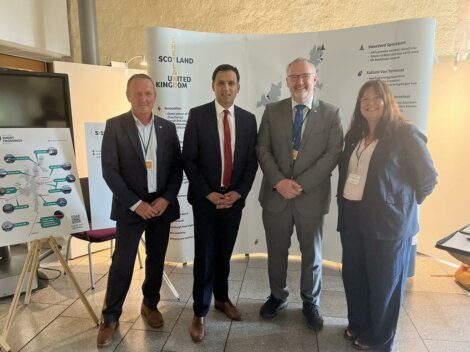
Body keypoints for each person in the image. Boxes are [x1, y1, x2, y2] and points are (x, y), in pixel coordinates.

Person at [337, 80, 438, 351]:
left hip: (388, 225)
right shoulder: (355, 135)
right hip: (353, 218)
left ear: (387, 101)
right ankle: (359, 324)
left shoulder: (404, 133)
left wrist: (400, 206)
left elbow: (428, 179)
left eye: (376, 98)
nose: (370, 103)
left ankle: (380, 338)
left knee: (384, 284)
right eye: (364, 99)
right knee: (355, 276)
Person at [257, 57, 343, 330]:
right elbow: (262, 149)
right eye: (294, 77)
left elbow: (332, 154)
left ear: (315, 79)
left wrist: (301, 184)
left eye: (305, 76)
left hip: (311, 197)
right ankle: (277, 296)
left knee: (312, 255)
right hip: (275, 196)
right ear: (286, 81)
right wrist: (279, 181)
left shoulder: (331, 113)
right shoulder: (272, 111)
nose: (300, 82)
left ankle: (310, 302)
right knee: (276, 252)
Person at [97, 73, 182, 348]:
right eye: (138, 94)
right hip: (131, 207)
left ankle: (150, 305)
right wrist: (136, 204)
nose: (144, 98)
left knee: (157, 258)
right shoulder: (115, 126)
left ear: (154, 96)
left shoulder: (167, 128)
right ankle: (110, 317)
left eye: (148, 93)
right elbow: (110, 171)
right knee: (122, 263)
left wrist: (166, 199)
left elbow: (176, 170)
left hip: (160, 206)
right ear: (128, 96)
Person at [182, 64, 258, 342]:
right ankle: (200, 311)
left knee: (225, 254)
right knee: (204, 256)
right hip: (206, 201)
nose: (226, 88)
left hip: (233, 201)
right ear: (212, 86)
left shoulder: (249, 120)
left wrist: (238, 193)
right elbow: (188, 159)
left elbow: (251, 162)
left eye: (231, 83)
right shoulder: (198, 115)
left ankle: (222, 299)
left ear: (238, 87)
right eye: (221, 83)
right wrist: (208, 193)